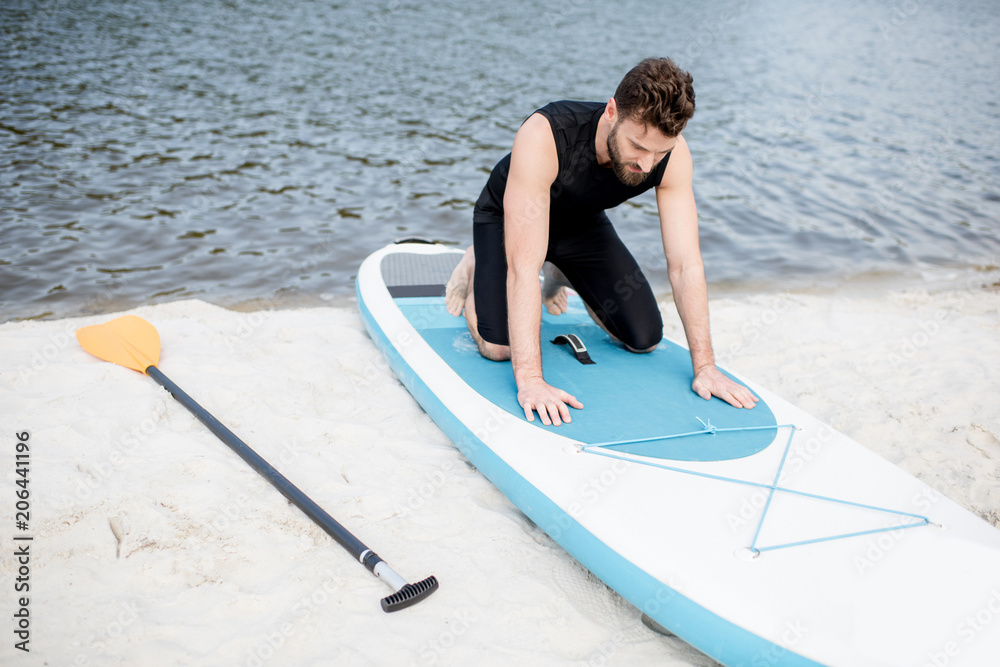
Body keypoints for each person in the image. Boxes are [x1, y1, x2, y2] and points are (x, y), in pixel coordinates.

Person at [445, 57, 758, 426]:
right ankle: (479, 260)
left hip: (581, 224)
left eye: (660, 152)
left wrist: (706, 367)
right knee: (499, 348)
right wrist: (531, 381)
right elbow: (524, 269)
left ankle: (561, 268)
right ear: (612, 111)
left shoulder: (670, 154)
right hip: (508, 221)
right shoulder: (545, 134)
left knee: (644, 338)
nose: (647, 163)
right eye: (638, 146)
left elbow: (685, 263)